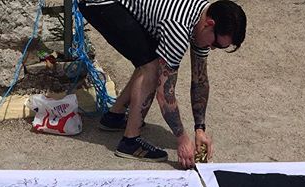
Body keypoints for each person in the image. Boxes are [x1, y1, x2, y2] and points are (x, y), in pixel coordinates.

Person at [78, 0, 247, 167]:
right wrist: (182, 139)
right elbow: (165, 94)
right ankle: (130, 142)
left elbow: (200, 79)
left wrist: (200, 128)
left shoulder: (203, 20)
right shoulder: (178, 28)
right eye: (216, 44)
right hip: (99, 3)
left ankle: (114, 117)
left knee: (149, 59)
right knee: (152, 67)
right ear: (209, 24)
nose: (213, 48)